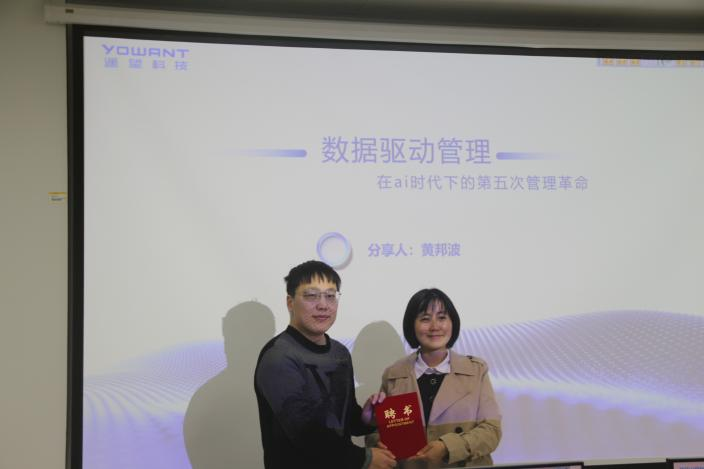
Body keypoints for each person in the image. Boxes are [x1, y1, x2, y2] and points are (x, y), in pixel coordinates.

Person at [254, 260, 397, 469]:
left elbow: (343, 420)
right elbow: (305, 433)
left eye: (330, 296)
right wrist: (363, 458)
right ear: (290, 302)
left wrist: (365, 419)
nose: (323, 305)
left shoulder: (339, 353)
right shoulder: (279, 356)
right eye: (311, 295)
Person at [368, 288, 501, 468]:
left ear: (452, 323)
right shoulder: (394, 374)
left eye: (442, 317)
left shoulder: (476, 370)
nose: (434, 326)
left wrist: (448, 447)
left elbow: (491, 431)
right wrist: (378, 443)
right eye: (425, 319)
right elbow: (376, 433)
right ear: (411, 325)